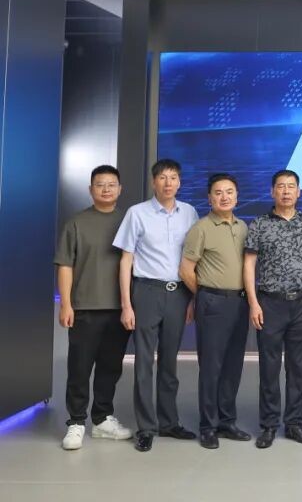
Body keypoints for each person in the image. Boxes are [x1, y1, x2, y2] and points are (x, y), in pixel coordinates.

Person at [115, 158, 200, 452]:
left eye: (173, 177)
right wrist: (126, 304)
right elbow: (125, 260)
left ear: (179, 182)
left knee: (169, 361)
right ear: (154, 182)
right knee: (143, 362)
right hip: (146, 292)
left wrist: (192, 298)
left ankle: (169, 422)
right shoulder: (137, 213)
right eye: (162, 177)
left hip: (178, 294)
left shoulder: (189, 212)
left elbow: (192, 259)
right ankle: (146, 427)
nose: (168, 183)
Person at [56, 165, 133, 450]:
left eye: (111, 184)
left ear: (120, 189)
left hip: (119, 308)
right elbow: (65, 265)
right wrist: (66, 304)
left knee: (110, 368)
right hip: (84, 308)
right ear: (91, 189)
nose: (106, 189)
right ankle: (76, 422)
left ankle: (102, 420)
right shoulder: (76, 223)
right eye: (100, 184)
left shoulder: (129, 221)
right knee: (79, 368)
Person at [243, 169, 302, 449]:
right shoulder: (259, 224)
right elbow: (249, 265)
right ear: (272, 191)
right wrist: (253, 302)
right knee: (269, 367)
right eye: (281, 186)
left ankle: (294, 423)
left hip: (301, 301)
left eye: (291, 186)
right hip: (269, 303)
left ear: (299, 192)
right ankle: (269, 425)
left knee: (297, 367)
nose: (286, 191)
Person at [180, 173, 251, 449]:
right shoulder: (201, 228)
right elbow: (186, 270)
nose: (224, 197)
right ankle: (208, 426)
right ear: (209, 198)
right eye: (218, 192)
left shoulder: (243, 227)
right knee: (211, 367)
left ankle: (227, 421)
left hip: (240, 302)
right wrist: (204, 295)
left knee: (233, 365)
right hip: (212, 302)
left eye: (229, 192)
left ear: (237, 196)